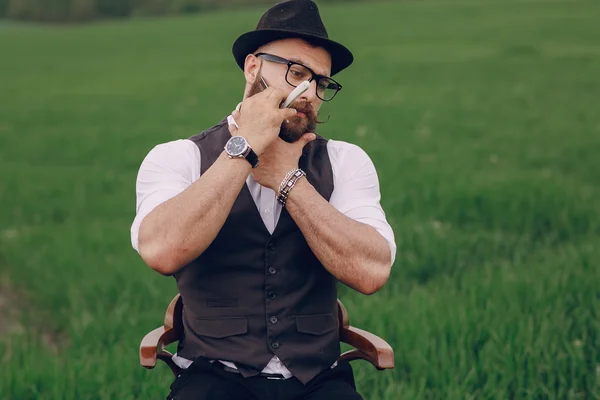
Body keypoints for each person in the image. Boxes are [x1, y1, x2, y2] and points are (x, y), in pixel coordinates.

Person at [130, 0, 396, 398]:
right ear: (252, 67)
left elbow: (372, 272)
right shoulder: (179, 157)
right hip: (212, 376)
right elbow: (161, 251)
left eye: (321, 83)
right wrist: (245, 150)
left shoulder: (345, 161)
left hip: (318, 380)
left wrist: (288, 180)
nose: (308, 93)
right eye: (296, 72)